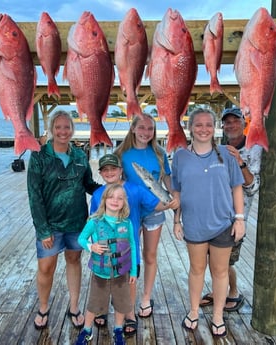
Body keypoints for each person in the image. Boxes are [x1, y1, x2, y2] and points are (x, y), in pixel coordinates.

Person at [171, 107, 245, 337]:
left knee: (220, 271)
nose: (204, 129)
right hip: (194, 224)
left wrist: (239, 219)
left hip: (223, 223)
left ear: (215, 128)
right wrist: (176, 220)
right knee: (196, 270)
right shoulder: (180, 156)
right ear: (190, 128)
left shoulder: (227, 153)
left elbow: (237, 187)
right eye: (199, 124)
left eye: (208, 125)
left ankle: (217, 315)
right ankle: (193, 311)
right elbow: (177, 192)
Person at [90, 153, 179, 335]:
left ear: (121, 171)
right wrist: (93, 245)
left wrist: (170, 204)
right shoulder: (98, 194)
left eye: (113, 169)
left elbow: (156, 204)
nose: (109, 173)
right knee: (103, 281)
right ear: (100, 173)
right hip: (104, 249)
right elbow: (93, 220)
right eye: (105, 170)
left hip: (128, 250)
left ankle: (129, 314)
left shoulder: (135, 190)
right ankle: (102, 309)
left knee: (128, 282)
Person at [27, 110, 101, 330]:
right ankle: (43, 307)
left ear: (72, 130)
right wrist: (43, 229)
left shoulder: (79, 156)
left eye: (66, 127)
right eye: (58, 127)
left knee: (74, 261)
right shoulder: (39, 155)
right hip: (50, 225)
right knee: (46, 267)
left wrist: (109, 190)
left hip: (77, 222)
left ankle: (75, 307)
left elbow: (88, 184)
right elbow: (34, 194)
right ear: (51, 129)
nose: (62, 131)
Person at [199, 107, 262, 312]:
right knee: (212, 258)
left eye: (235, 121)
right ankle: (220, 291)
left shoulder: (254, 149)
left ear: (244, 123)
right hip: (214, 213)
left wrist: (239, 162)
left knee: (225, 261)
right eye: (227, 122)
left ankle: (233, 293)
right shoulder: (218, 149)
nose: (231, 125)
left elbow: (252, 186)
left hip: (235, 217)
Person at [114, 113, 174, 319]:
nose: (145, 132)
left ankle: (146, 297)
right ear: (132, 129)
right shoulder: (121, 153)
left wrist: (174, 200)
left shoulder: (159, 152)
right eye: (141, 128)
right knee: (128, 257)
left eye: (150, 129)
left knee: (150, 255)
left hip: (155, 211)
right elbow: (114, 181)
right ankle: (126, 298)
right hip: (129, 212)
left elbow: (166, 178)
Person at [75, 184, 137, 345]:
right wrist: (91, 246)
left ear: (124, 202)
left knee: (121, 304)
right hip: (100, 274)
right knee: (94, 305)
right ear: (104, 200)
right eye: (111, 197)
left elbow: (133, 245)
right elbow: (81, 239)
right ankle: (87, 331)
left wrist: (133, 271)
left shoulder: (127, 223)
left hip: (121, 274)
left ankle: (118, 330)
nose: (115, 201)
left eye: (119, 198)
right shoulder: (94, 222)